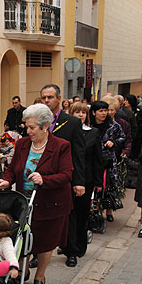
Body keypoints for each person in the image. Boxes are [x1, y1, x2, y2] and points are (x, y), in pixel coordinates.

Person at [0, 104, 74, 284]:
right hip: (24, 201)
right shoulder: (22, 144)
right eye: (26, 127)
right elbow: (12, 169)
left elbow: (66, 174)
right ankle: (22, 272)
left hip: (50, 203)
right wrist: (6, 181)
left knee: (45, 241)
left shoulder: (61, 146)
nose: (27, 131)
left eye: (32, 128)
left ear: (45, 126)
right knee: (23, 237)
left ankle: (40, 276)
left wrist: (45, 179)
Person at [40, 84, 85, 269]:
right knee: (41, 217)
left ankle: (71, 251)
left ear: (59, 99)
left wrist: (79, 181)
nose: (46, 101)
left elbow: (79, 153)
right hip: (42, 178)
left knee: (69, 215)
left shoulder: (72, 122)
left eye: (50, 97)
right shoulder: (38, 121)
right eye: (43, 97)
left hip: (64, 177)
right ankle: (39, 252)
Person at [63, 102, 103, 261]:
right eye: (76, 112)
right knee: (68, 214)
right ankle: (67, 245)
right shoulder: (64, 132)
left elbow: (97, 159)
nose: (80, 115)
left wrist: (98, 182)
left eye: (83, 112)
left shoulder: (93, 132)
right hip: (67, 178)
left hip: (85, 179)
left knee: (81, 214)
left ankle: (80, 245)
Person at [90, 100, 126, 222]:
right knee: (96, 186)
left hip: (108, 159)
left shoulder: (113, 125)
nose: (104, 113)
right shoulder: (89, 125)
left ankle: (109, 210)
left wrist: (114, 142)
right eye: (101, 111)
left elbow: (123, 137)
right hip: (93, 159)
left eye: (105, 110)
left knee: (109, 185)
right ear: (94, 113)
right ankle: (95, 210)